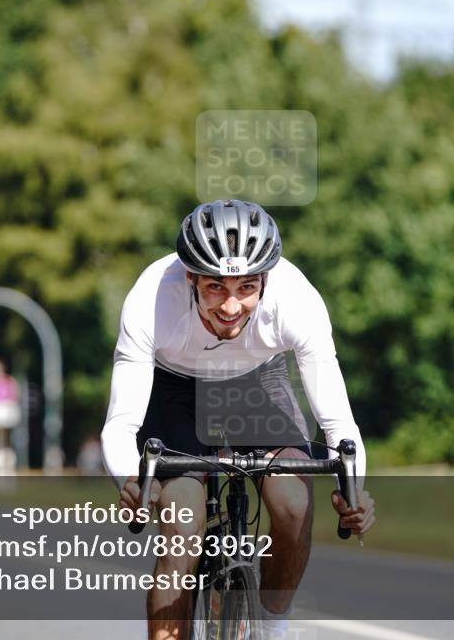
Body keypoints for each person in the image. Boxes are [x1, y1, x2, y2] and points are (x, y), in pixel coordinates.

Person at [101, 199, 375, 640]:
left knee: (293, 503)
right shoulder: (152, 298)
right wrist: (131, 480)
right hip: (175, 390)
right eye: (215, 288)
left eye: (247, 288)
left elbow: (339, 424)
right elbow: (121, 423)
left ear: (266, 279)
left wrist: (354, 491)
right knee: (182, 518)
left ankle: (273, 626)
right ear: (190, 277)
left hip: (256, 384)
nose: (230, 306)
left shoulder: (297, 300)